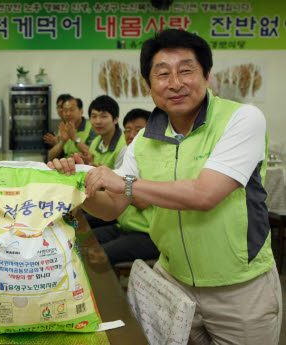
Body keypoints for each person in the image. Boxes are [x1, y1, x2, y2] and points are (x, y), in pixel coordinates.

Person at [49, 29, 281, 344]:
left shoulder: (241, 119)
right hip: (173, 284)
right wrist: (78, 187)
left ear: (207, 75)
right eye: (162, 74)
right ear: (148, 84)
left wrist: (124, 183)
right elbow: (113, 205)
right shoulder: (144, 139)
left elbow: (205, 194)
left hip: (239, 290)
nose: (174, 83)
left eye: (186, 70)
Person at [90, 106, 158, 266]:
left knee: (96, 256)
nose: (132, 135)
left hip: (146, 234)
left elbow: (142, 202)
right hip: (124, 226)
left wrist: (118, 184)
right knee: (81, 240)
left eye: (138, 130)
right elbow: (117, 189)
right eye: (127, 130)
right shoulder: (131, 156)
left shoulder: (156, 161)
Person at [79, 95, 126, 169]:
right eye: (94, 116)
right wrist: (87, 164)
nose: (98, 121)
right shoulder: (95, 142)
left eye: (103, 116)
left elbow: (122, 177)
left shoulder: (124, 145)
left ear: (115, 120)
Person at [48, 96, 97, 161]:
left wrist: (74, 137)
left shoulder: (92, 127)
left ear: (81, 111)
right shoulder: (63, 127)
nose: (68, 114)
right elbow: (51, 157)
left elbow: (93, 155)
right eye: (65, 111)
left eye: (72, 110)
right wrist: (63, 141)